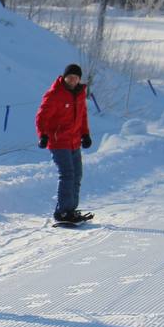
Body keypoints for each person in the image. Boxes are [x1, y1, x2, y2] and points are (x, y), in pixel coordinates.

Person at [36, 63, 92, 223]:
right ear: (64, 77)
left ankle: (70, 210)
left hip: (74, 141)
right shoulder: (55, 94)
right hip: (58, 141)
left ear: (79, 79)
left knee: (77, 175)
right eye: (70, 77)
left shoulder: (80, 93)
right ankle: (62, 212)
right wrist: (43, 135)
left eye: (76, 78)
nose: (73, 80)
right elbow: (41, 117)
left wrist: (85, 134)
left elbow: (82, 116)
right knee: (67, 174)